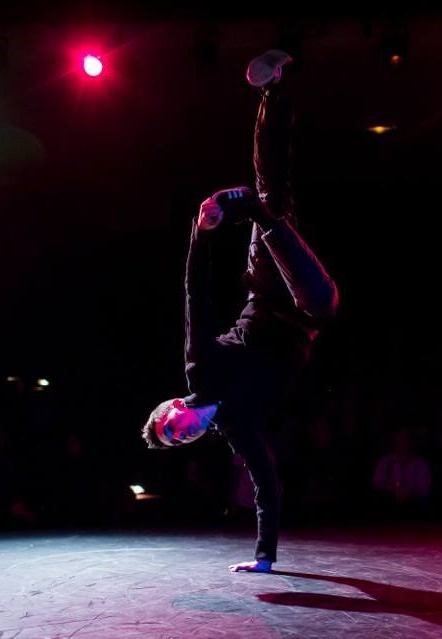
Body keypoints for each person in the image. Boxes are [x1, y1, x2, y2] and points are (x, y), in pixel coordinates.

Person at [141, 49, 339, 573]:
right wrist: (264, 559)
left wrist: (200, 234)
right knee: (321, 298)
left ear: (171, 406)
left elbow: (196, 296)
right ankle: (251, 210)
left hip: (267, 289)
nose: (180, 433)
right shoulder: (238, 428)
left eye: (170, 426)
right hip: (304, 312)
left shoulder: (198, 366)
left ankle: (273, 90)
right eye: (177, 441)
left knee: (274, 191)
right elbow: (266, 483)